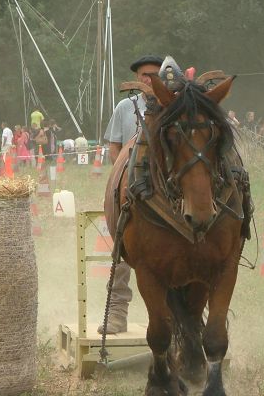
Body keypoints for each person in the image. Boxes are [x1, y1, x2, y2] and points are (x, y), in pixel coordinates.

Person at [100, 54, 163, 335]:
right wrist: (119, 179)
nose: (148, 79)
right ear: (138, 79)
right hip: (130, 187)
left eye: (154, 74)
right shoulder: (125, 107)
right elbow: (114, 146)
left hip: (162, 187)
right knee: (121, 251)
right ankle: (116, 314)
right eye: (144, 75)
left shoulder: (169, 104)